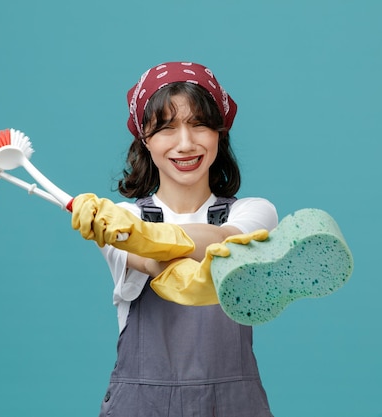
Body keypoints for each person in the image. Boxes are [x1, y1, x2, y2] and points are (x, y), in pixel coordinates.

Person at [72, 62, 278, 417]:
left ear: (219, 134)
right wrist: (120, 232)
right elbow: (155, 262)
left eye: (199, 124)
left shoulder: (255, 213)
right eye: (166, 128)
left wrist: (133, 235)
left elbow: (223, 242)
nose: (186, 143)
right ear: (145, 140)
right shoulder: (128, 219)